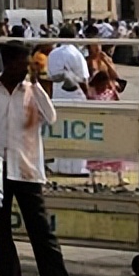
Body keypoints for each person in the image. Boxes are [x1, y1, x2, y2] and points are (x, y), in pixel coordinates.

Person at [0, 41, 89, 276]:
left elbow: (51, 117)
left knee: (42, 234)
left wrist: (37, 85)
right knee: (1, 233)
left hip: (27, 171)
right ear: (7, 64)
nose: (25, 69)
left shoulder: (32, 92)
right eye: (20, 65)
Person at [46, 25, 90, 175]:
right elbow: (84, 78)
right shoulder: (77, 54)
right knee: (78, 130)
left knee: (60, 130)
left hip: (58, 93)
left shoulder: (53, 53)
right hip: (75, 94)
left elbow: (51, 75)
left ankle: (58, 165)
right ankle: (77, 167)